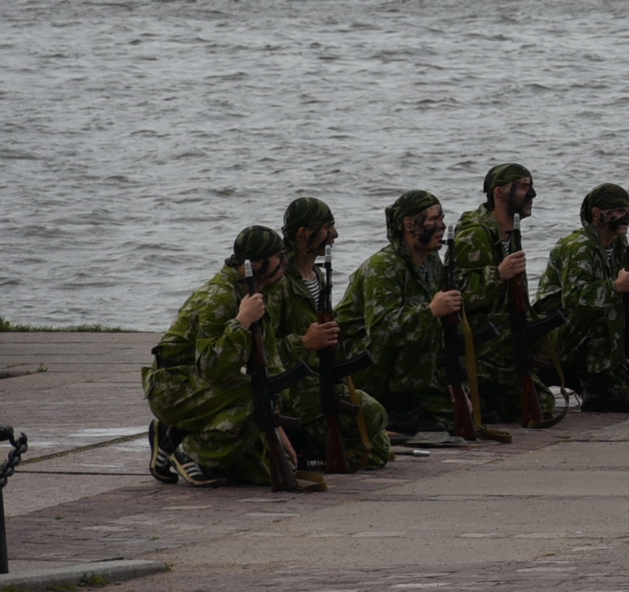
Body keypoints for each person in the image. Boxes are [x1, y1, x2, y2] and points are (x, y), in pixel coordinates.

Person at [142, 225, 315, 489]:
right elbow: (211, 368)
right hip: (173, 387)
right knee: (255, 394)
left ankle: (172, 434)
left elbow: (270, 362)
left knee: (263, 471)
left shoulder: (254, 293)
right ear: (255, 263)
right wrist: (241, 322)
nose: (285, 264)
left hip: (203, 387)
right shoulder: (219, 296)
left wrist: (275, 422)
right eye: (278, 257)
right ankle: (191, 452)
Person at [340, 191, 470, 446]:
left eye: (442, 219)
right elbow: (381, 330)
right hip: (363, 364)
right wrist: (430, 312)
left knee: (453, 414)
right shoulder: (383, 266)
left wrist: (454, 380)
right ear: (409, 224)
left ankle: (411, 405)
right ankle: (398, 411)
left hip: (402, 369)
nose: (442, 226)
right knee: (427, 322)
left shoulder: (431, 263)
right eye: (434, 219)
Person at [270, 197, 391, 471]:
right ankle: (300, 444)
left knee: (377, 450)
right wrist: (304, 343)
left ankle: (310, 448)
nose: (334, 234)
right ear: (303, 233)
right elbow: (263, 348)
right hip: (295, 391)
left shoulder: (317, 276)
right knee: (372, 414)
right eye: (327, 227)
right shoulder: (280, 283)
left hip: (321, 379)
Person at [452, 162, 553, 427]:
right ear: (499, 193)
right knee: (538, 403)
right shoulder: (475, 235)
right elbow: (458, 294)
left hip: (503, 331)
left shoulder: (510, 232)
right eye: (523, 187)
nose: (531, 195)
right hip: (481, 338)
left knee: (543, 402)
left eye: (530, 186)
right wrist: (498, 274)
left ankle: (493, 394)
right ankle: (479, 388)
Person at [543, 183, 629, 411]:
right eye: (619, 211)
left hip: (590, 334)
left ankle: (594, 378)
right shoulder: (578, 246)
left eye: (628, 211)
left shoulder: (619, 243)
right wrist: (616, 287)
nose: (626, 218)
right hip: (561, 330)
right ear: (597, 213)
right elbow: (574, 298)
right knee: (605, 309)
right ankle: (595, 386)